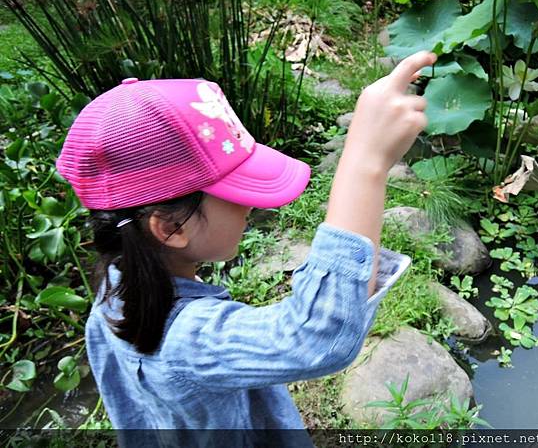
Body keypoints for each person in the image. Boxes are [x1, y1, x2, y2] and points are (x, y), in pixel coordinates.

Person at [56, 51, 436, 446]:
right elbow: (316, 337)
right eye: (235, 192)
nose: (251, 204)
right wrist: (366, 161)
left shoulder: (116, 284)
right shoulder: (189, 341)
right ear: (170, 227)